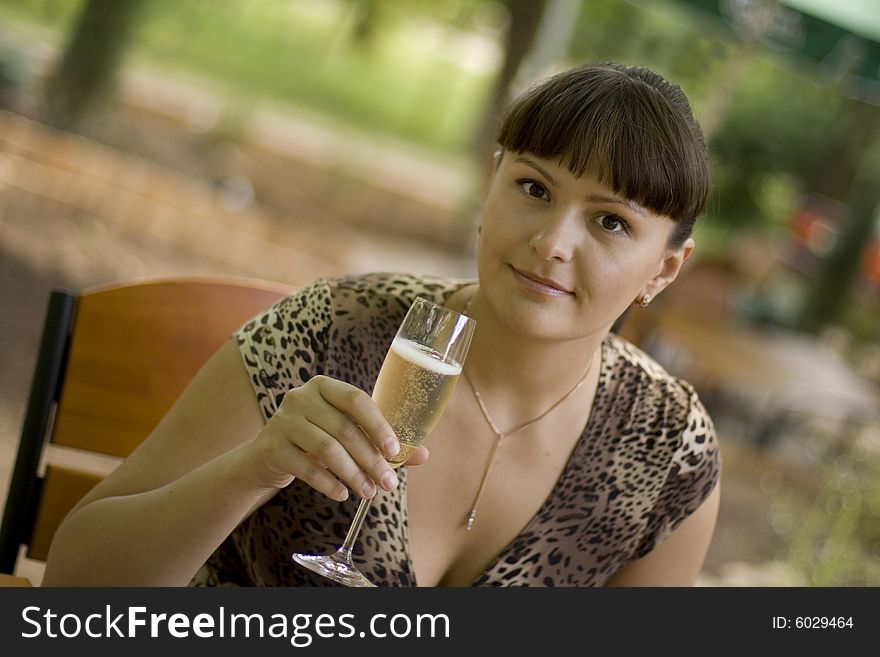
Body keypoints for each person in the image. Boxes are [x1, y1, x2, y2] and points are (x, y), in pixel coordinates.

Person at [43, 61, 721, 587]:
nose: (552, 242)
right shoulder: (328, 333)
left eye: (610, 221)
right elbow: (75, 582)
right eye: (534, 188)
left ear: (666, 267)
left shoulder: (668, 452)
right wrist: (251, 470)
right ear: (491, 186)